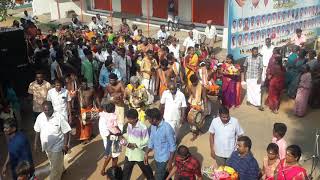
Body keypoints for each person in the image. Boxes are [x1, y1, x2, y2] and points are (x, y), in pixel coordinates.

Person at [33, 101, 71, 180]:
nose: (47, 112)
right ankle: (62, 169)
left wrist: (65, 145)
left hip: (57, 146)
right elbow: (37, 130)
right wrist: (35, 143)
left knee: (55, 169)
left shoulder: (59, 117)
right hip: (46, 146)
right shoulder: (40, 117)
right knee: (53, 161)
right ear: (42, 110)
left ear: (52, 108)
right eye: (45, 110)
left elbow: (66, 131)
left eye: (49, 110)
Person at [144, 108, 176, 180]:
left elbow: (173, 148)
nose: (148, 121)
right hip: (157, 157)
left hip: (165, 159)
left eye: (149, 119)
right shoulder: (153, 126)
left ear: (154, 119)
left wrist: (170, 163)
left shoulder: (167, 128)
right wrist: (146, 153)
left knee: (158, 177)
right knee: (164, 176)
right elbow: (151, 140)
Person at [122, 109, 154, 180]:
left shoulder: (143, 127)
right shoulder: (129, 125)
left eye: (130, 119)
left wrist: (135, 145)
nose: (128, 120)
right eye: (128, 118)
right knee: (125, 173)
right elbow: (128, 135)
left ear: (136, 118)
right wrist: (123, 138)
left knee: (147, 172)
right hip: (129, 153)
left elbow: (146, 140)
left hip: (139, 154)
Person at [100, 103, 122, 176]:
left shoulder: (103, 116)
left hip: (107, 138)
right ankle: (110, 170)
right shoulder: (112, 116)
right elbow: (115, 126)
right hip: (113, 137)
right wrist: (119, 133)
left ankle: (110, 168)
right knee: (114, 156)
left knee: (111, 154)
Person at [78, 78, 99, 143]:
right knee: (83, 123)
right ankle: (84, 138)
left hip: (89, 108)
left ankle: (89, 135)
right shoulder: (80, 91)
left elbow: (96, 98)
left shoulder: (91, 90)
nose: (84, 85)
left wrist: (98, 107)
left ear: (87, 84)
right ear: (81, 85)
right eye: (83, 84)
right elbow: (78, 100)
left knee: (89, 123)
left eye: (85, 84)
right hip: (82, 109)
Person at [187, 74, 208, 141]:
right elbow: (190, 96)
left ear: (197, 80)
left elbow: (204, 98)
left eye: (195, 82)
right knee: (191, 119)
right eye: (193, 82)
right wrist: (190, 104)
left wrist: (206, 108)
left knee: (199, 119)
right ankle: (195, 133)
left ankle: (197, 131)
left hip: (200, 104)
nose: (194, 83)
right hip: (193, 104)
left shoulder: (202, 87)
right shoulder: (190, 87)